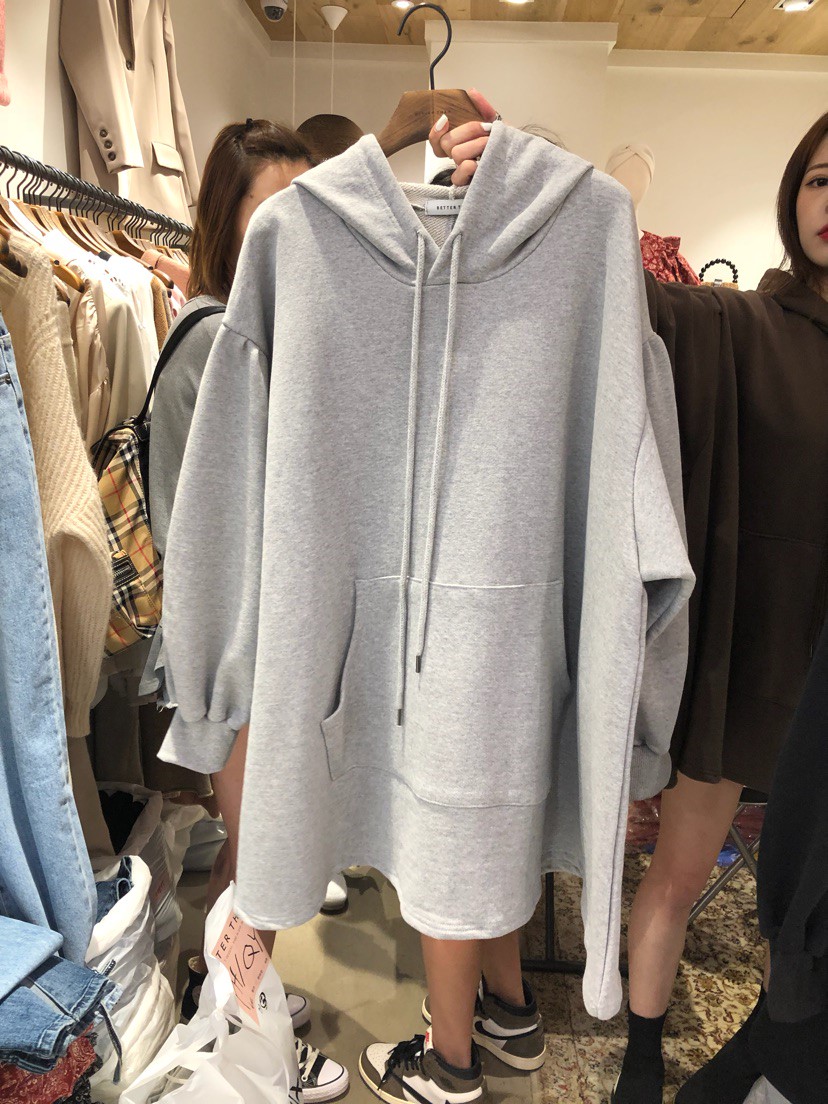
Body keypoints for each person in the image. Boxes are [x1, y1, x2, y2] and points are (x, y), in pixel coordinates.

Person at [432, 97, 828, 1104]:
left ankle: (779, 1053)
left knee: (804, 914)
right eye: (823, 179)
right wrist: (526, 178)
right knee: (680, 881)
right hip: (749, 668)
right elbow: (625, 288)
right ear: (794, 197)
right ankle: (642, 1069)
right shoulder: (741, 325)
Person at [149, 117, 350, 1102]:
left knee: (254, 850)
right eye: (271, 209)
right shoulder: (214, 342)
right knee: (257, 855)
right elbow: (203, 534)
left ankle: (237, 1005)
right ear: (227, 221)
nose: (290, 229)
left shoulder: (261, 333)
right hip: (238, 653)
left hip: (262, 647)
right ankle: (242, 1041)